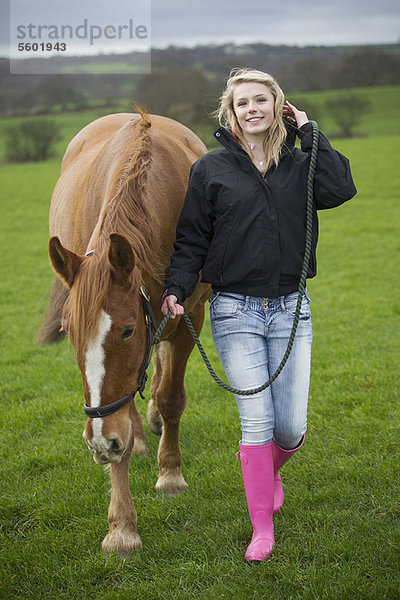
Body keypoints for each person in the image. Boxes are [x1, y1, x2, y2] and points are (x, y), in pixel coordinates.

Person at [161, 68, 357, 561]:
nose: (252, 109)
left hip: (292, 308)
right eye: (242, 102)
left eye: (261, 101)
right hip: (234, 311)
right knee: (256, 422)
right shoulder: (210, 169)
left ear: (278, 107)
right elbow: (191, 239)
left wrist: (310, 132)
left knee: (289, 428)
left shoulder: (301, 162)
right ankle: (261, 528)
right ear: (231, 112)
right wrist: (178, 288)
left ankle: (265, 468)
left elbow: (340, 189)